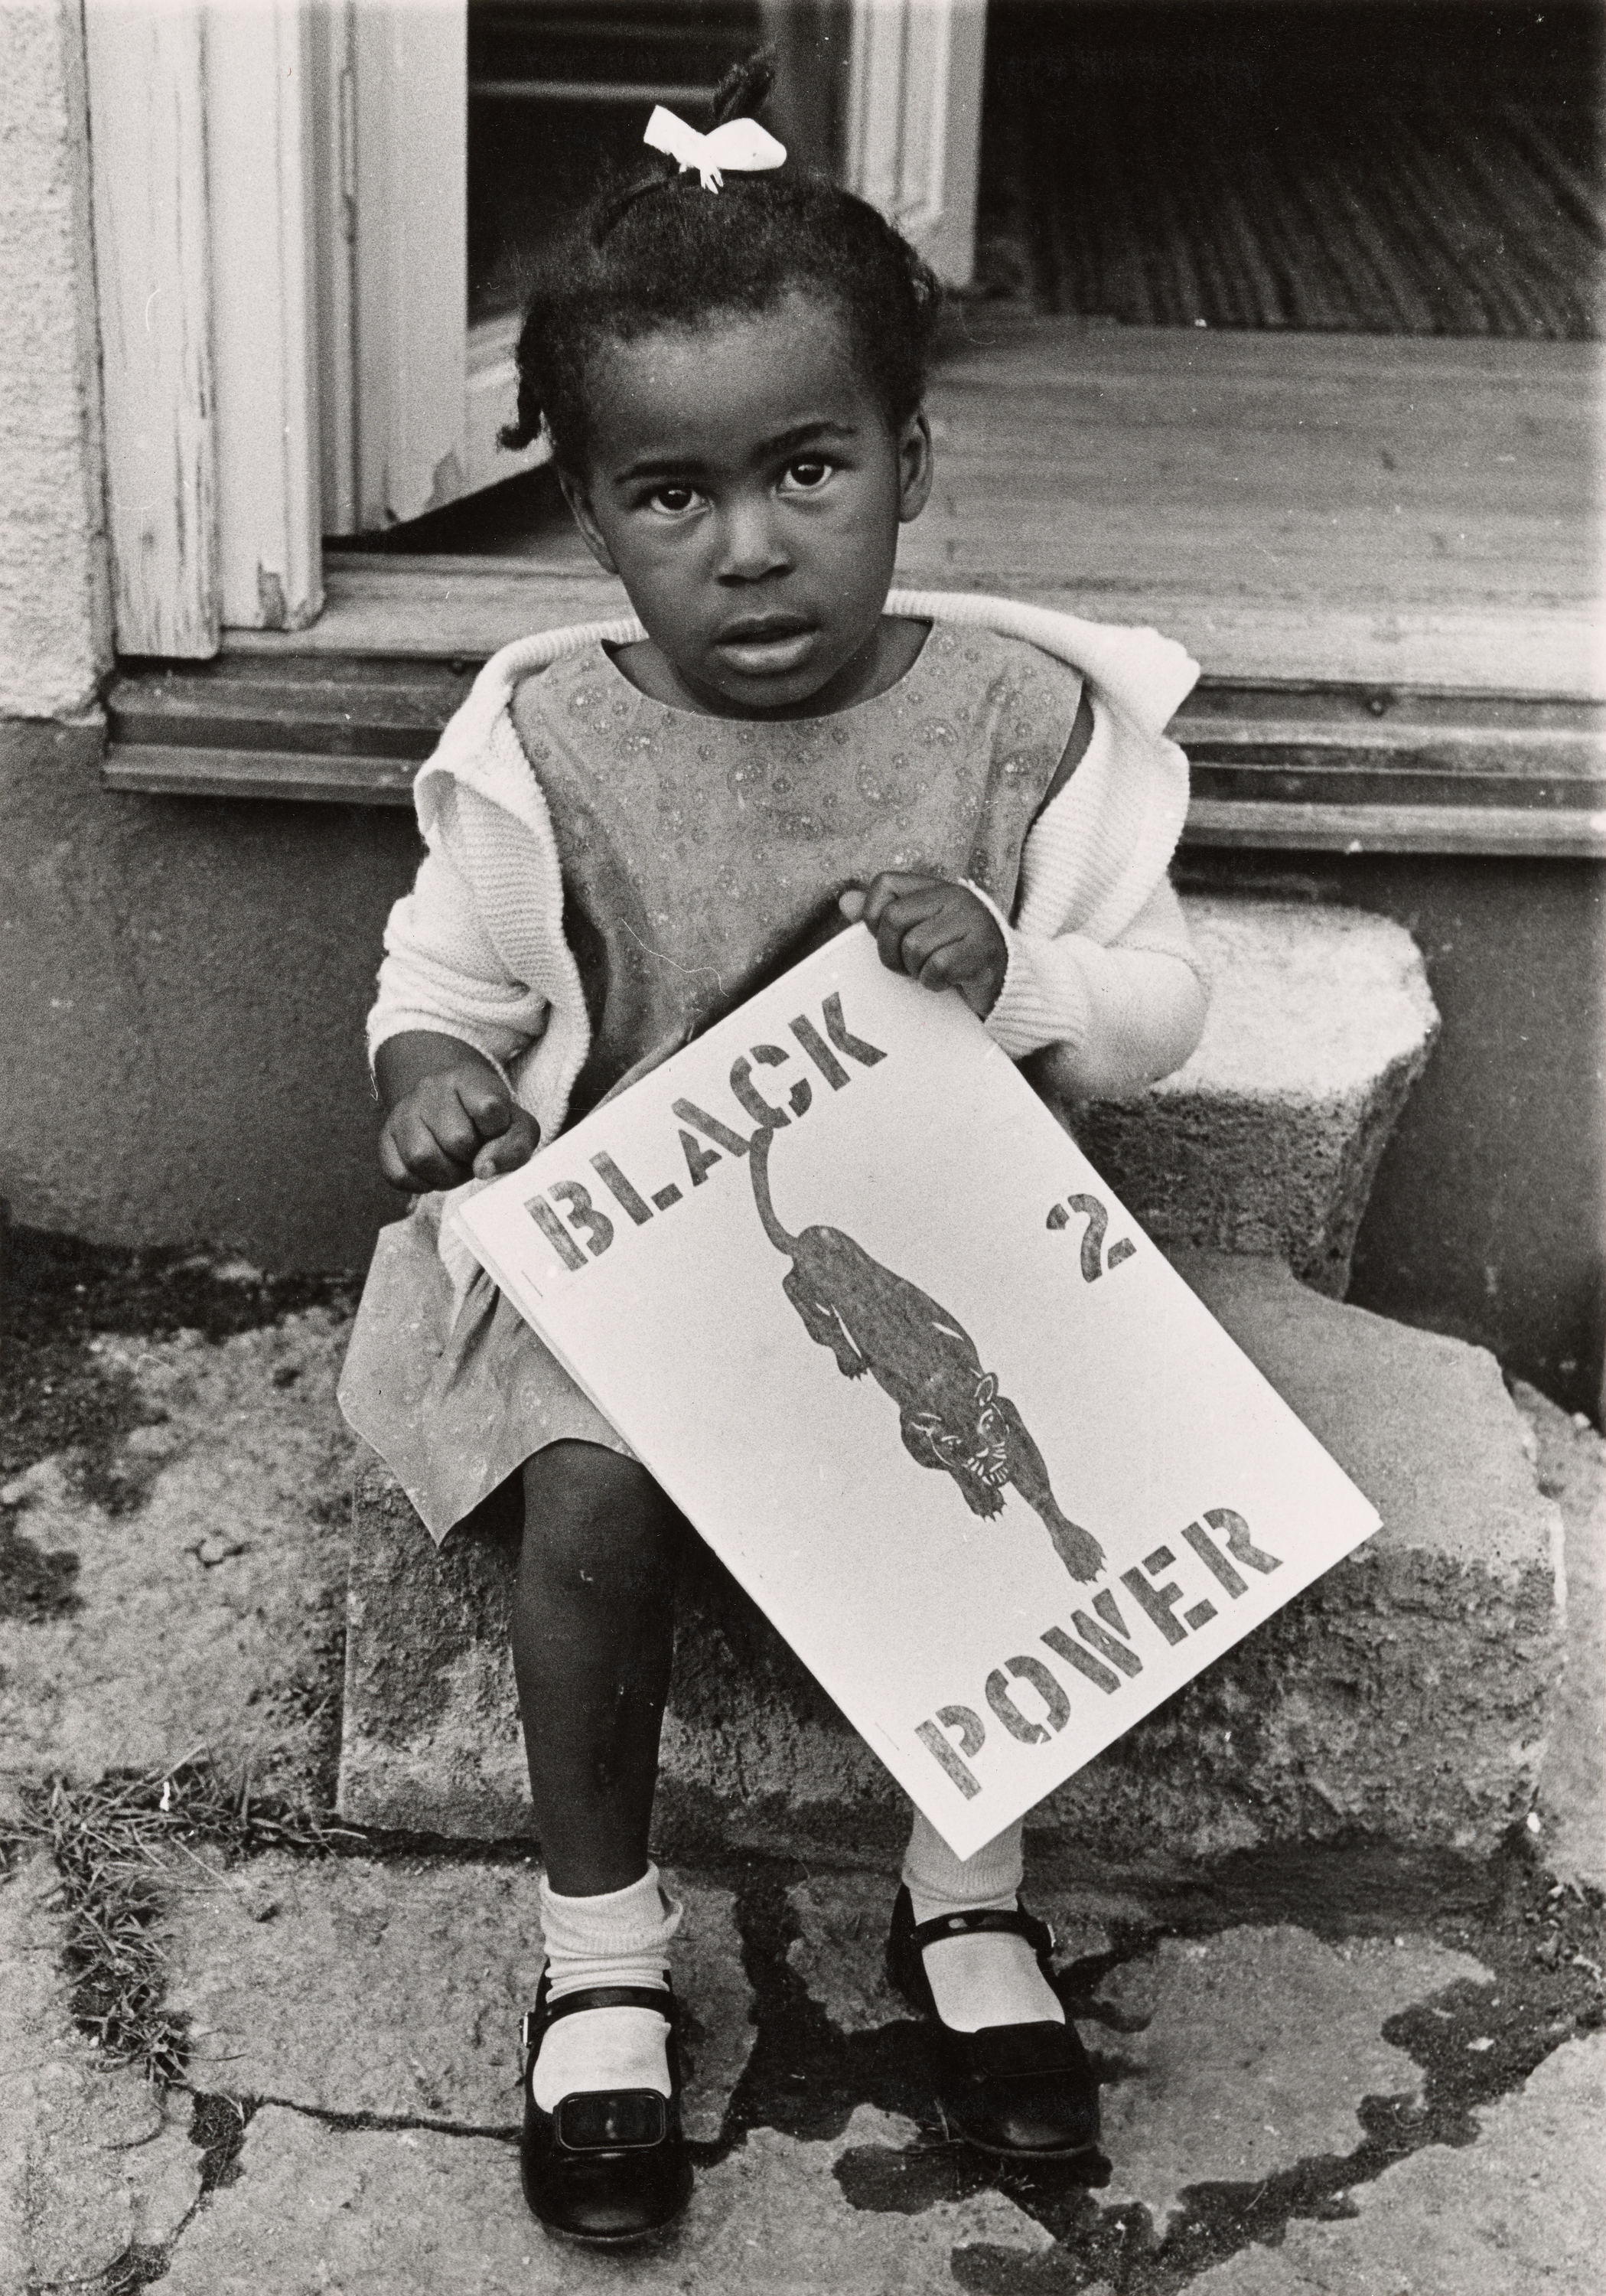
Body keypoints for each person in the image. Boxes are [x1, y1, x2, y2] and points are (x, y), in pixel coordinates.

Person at [337, 57, 1210, 2248]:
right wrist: (429, 1075)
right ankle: (602, 1957)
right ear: (587, 510)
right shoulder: (550, 738)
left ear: (911, 460)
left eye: (808, 468)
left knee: (1015, 1456)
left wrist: (1009, 968)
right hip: (646, 1255)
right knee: (598, 1482)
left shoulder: (1014, 722)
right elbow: (433, 977)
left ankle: (966, 1896)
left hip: (941, 1237)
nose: (745, 546)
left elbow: (1160, 1002)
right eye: (667, 496)